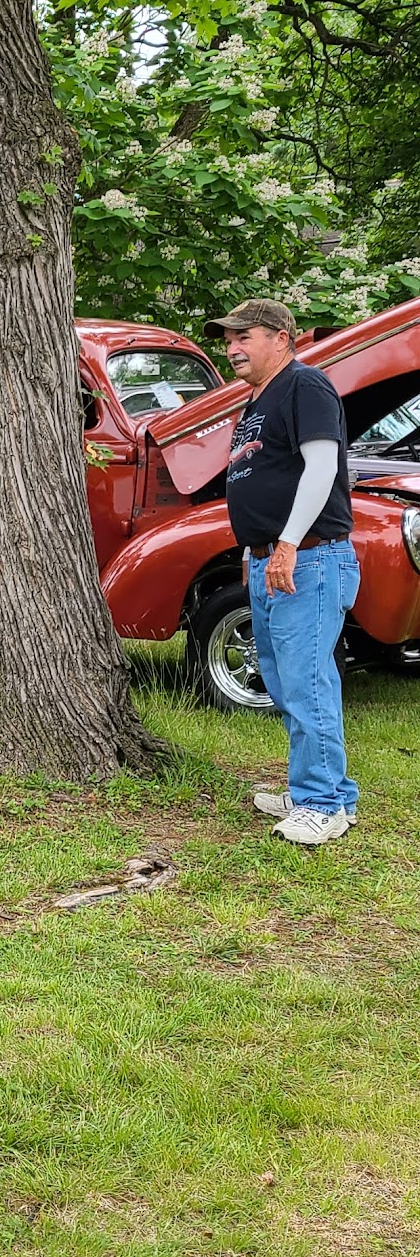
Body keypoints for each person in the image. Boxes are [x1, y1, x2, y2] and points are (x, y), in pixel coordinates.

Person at [209, 297, 359, 846]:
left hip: (310, 558)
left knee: (306, 681)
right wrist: (258, 547)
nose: (232, 347)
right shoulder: (255, 402)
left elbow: (322, 465)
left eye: (243, 336)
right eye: (228, 339)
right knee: (283, 680)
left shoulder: (305, 386)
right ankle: (322, 791)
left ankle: (321, 806)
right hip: (270, 556)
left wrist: (289, 543)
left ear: (280, 336)